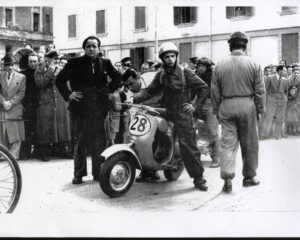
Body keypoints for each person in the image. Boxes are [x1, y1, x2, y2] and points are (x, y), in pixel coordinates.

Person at [128, 42, 209, 191]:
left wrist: (194, 106)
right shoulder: (161, 74)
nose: (170, 59)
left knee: (189, 147)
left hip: (183, 114)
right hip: (167, 111)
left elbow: (203, 87)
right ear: (162, 58)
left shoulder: (185, 72)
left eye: (173, 56)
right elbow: (149, 91)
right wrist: (133, 98)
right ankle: (150, 169)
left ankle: (199, 179)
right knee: (152, 133)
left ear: (176, 56)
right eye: (167, 56)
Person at [55, 36, 122, 184]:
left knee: (100, 141)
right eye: (88, 46)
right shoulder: (74, 63)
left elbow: (118, 77)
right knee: (80, 141)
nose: (91, 49)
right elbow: (59, 80)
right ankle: (78, 174)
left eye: (94, 46)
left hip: (99, 107)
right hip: (81, 108)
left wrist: (108, 91)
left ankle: (98, 173)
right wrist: (69, 94)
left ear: (99, 48)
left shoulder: (105, 63)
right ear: (84, 48)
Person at [211, 31, 265, 193]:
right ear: (244, 45)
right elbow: (260, 91)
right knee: (249, 144)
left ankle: (227, 178)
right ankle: (249, 177)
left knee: (227, 143)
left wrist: (217, 109)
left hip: (226, 105)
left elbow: (214, 91)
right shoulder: (253, 63)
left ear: (230, 46)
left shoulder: (219, 65)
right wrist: (260, 109)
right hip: (247, 105)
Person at [35, 49, 72, 161]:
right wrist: (50, 71)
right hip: (46, 101)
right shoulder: (40, 69)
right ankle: (44, 152)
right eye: (55, 59)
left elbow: (66, 84)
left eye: (58, 59)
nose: (57, 61)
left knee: (62, 126)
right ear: (48, 59)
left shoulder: (61, 69)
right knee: (46, 127)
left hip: (60, 101)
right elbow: (40, 84)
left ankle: (63, 150)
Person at [195, 57, 220, 168]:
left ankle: (216, 157)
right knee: (193, 129)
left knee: (212, 132)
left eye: (202, 66)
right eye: (199, 66)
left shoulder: (214, 77)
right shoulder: (196, 76)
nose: (200, 68)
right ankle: (195, 155)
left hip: (211, 105)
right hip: (197, 104)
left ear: (207, 67)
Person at [0, 54, 26, 159]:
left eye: (11, 65)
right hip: (2, 108)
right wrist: (3, 102)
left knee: (15, 133)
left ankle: (14, 156)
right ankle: (3, 156)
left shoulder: (21, 77)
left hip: (14, 108)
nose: (9, 67)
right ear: (4, 66)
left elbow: (21, 93)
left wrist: (11, 103)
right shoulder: (0, 75)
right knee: (3, 132)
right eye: (7, 65)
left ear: (15, 65)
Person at [19, 53, 39, 159]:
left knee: (38, 128)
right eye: (31, 61)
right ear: (28, 62)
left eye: (35, 61)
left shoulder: (41, 73)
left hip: (38, 104)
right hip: (26, 104)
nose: (32, 63)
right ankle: (25, 152)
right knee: (26, 129)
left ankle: (37, 151)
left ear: (38, 62)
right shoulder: (22, 74)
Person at [261, 65, 289, 140]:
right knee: (269, 118)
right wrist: (266, 102)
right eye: (284, 70)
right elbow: (265, 91)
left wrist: (285, 99)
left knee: (280, 118)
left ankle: (278, 135)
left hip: (282, 102)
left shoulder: (285, 80)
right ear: (279, 71)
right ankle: (264, 134)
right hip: (271, 101)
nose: (285, 72)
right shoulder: (269, 78)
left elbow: (286, 92)